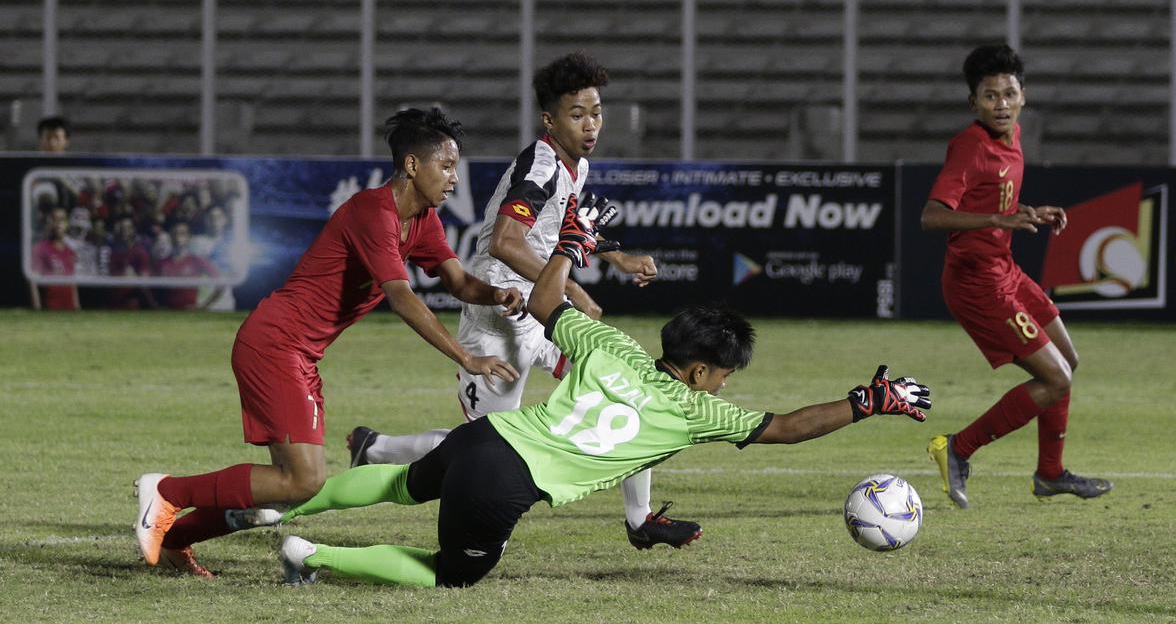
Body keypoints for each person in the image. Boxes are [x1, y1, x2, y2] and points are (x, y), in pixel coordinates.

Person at [275, 193, 932, 588]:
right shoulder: (697, 411)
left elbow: (543, 300)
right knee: (456, 572)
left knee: (398, 484)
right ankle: (314, 555)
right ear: (701, 371)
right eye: (726, 371)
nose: (728, 382)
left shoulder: (608, 344)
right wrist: (865, 403)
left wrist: (569, 244)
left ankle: (285, 511)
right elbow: (787, 427)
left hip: (486, 436)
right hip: (507, 481)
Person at [132, 107, 525, 577]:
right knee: (303, 479)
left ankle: (178, 537)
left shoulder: (421, 221)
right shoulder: (373, 212)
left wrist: (496, 293)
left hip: (299, 353)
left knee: (292, 486)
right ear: (413, 166)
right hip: (275, 343)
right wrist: (467, 357)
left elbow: (459, 282)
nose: (455, 179)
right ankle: (169, 492)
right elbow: (400, 299)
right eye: (446, 166)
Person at [346, 52, 687, 550]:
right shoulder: (541, 164)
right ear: (550, 119)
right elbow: (507, 241)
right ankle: (377, 450)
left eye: (595, 112)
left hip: (541, 306)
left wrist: (618, 257)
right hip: (500, 309)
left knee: (626, 388)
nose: (590, 124)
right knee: (485, 449)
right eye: (577, 114)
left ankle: (640, 520)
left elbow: (563, 225)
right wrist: (572, 288)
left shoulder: (576, 164)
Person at [921, 45, 1113, 509]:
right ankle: (958, 449)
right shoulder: (970, 146)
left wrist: (1024, 212)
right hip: (977, 282)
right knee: (1054, 379)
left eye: (1009, 93)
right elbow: (932, 216)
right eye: (990, 96)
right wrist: (998, 220)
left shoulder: (1013, 136)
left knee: (1068, 361)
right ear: (974, 103)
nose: (1001, 104)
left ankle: (1050, 475)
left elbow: (994, 198)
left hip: (1005, 270)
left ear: (1023, 95)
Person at [156, 220, 222, 310]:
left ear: (189, 237)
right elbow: (149, 287)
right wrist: (155, 306)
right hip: (167, 314)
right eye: (174, 233)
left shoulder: (197, 261)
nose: (178, 237)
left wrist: (203, 306)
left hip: (189, 314)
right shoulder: (161, 263)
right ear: (170, 236)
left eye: (182, 234)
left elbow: (221, 284)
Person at [29, 206, 80, 310]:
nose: (58, 224)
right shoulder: (41, 248)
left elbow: (73, 283)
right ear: (50, 222)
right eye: (55, 219)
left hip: (69, 308)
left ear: (67, 224)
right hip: (50, 308)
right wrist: (37, 307)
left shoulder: (70, 251)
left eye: (62, 220)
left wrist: (77, 306)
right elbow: (33, 281)